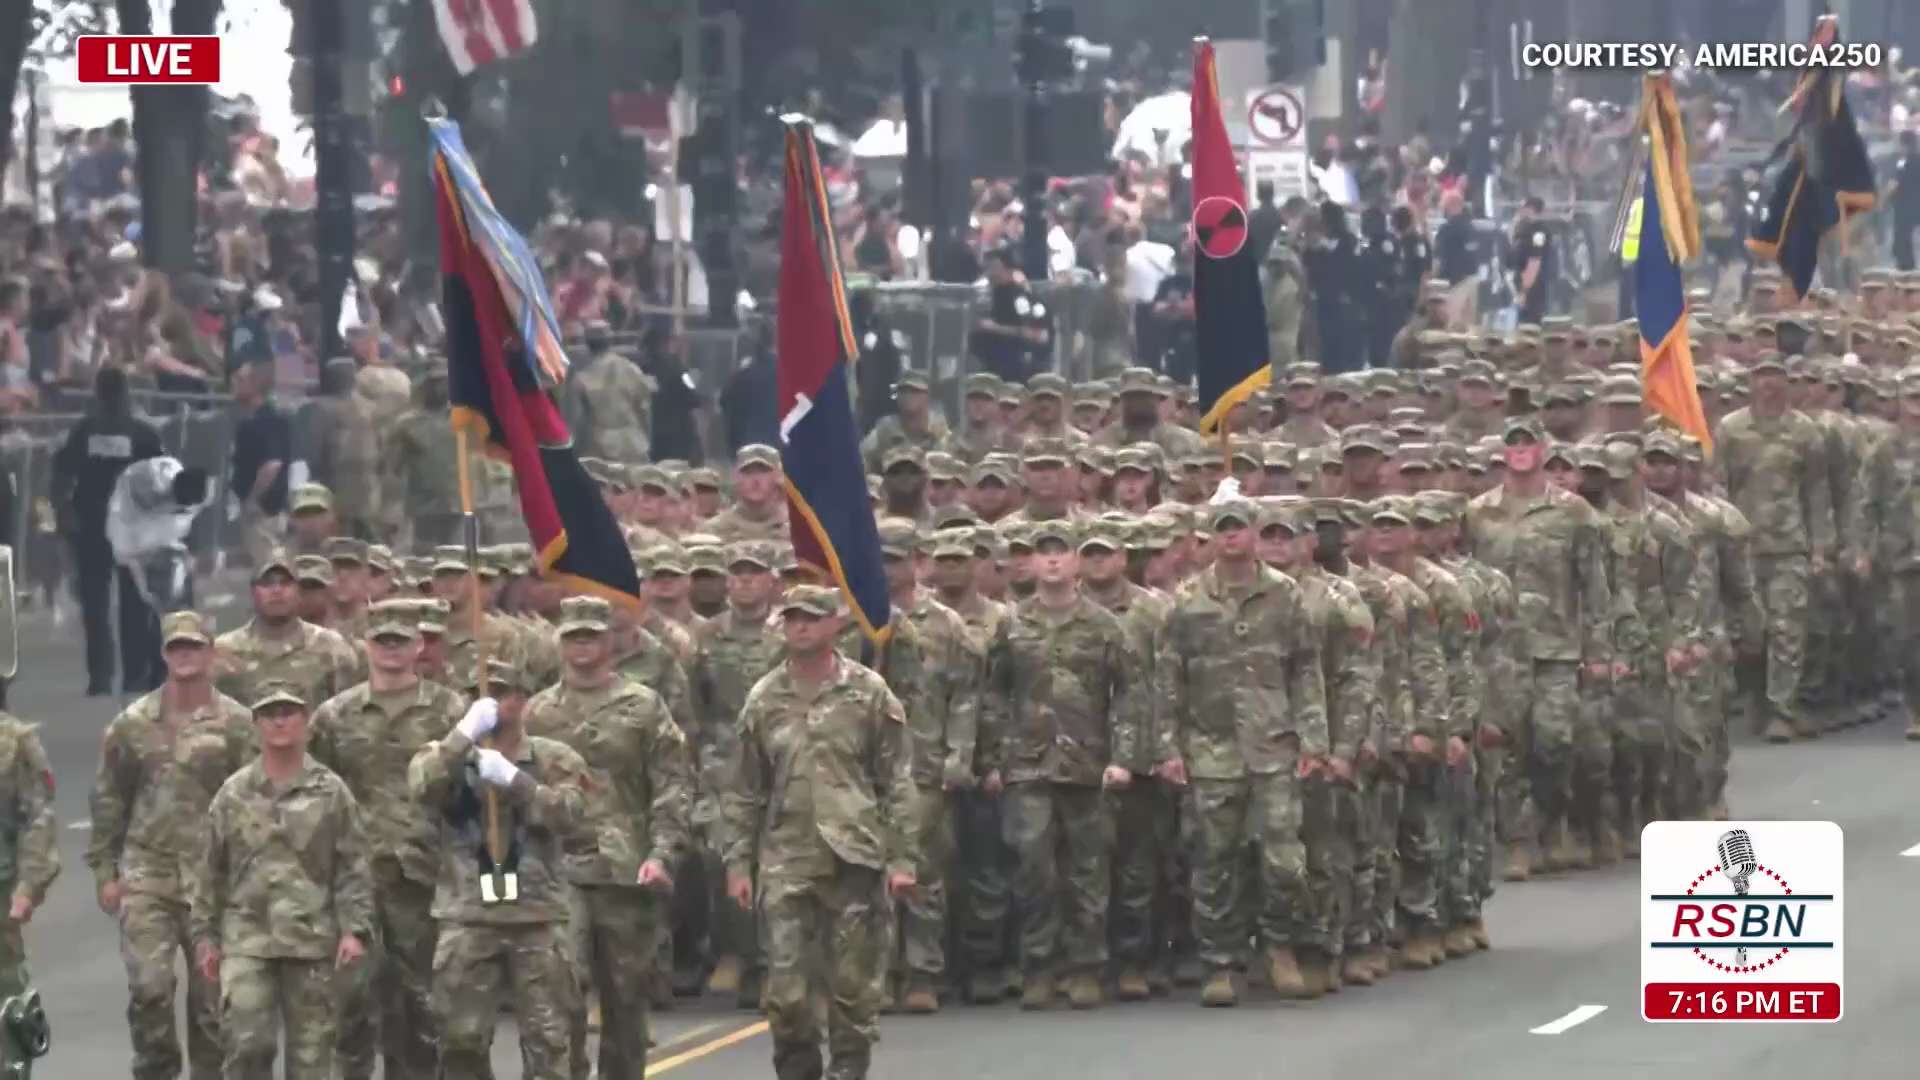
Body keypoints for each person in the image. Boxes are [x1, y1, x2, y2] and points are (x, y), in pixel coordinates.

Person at [721, 584, 917, 1080]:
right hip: (787, 860)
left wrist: (902, 859)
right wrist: (737, 863)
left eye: (810, 617)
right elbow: (744, 789)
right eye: (791, 618)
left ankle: (848, 1071)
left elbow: (897, 781)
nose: (800, 626)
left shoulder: (868, 692)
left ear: (835, 625)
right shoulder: (764, 699)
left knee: (853, 992)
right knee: (786, 996)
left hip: (855, 859)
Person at [1156, 499, 1329, 1006]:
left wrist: (1314, 739)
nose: (1231, 536)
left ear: (1255, 533)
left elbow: (1306, 671)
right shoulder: (1187, 601)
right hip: (1210, 748)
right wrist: (1167, 746)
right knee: (1214, 860)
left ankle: (1278, 946)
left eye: (1239, 527)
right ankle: (1222, 962)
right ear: (1211, 538)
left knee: (1284, 861)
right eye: (1222, 528)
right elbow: (1168, 680)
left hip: (1274, 744)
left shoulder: (1285, 595)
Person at [524, 596, 693, 1080]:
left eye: (590, 635)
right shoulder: (538, 712)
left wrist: (663, 853)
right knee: (562, 993)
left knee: (625, 1002)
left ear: (609, 640)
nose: (581, 645)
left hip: (626, 871)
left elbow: (671, 783)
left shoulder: (643, 706)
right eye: (572, 635)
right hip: (556, 872)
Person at [87, 610, 253, 1080]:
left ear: (210, 652)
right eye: (176, 648)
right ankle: (155, 1070)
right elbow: (110, 799)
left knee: (211, 1005)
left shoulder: (238, 724)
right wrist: (105, 872)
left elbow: (255, 800)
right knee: (149, 987)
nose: (185, 656)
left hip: (214, 881)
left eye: (194, 647)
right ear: (163, 654)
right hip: (148, 875)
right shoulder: (132, 724)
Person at [306, 601, 466, 1080]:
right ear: (367, 646)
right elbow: (314, 790)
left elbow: (469, 789)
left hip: (425, 875)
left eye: (401, 641)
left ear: (420, 646)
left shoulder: (447, 710)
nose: (391, 651)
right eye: (382, 642)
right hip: (355, 874)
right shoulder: (335, 715)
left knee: (419, 1002)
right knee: (351, 999)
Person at [408, 663, 591, 1080]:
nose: (492, 702)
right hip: (468, 916)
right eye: (479, 695)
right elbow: (421, 788)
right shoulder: (444, 756)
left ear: (522, 701)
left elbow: (572, 816)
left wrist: (516, 781)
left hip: (537, 917)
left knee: (549, 1046)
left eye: (503, 693)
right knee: (460, 1044)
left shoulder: (554, 757)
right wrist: (462, 738)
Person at [189, 683, 374, 1080]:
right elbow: (209, 870)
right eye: (270, 713)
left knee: (311, 1061)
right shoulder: (233, 793)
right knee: (247, 1044)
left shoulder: (331, 792)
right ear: (256, 724)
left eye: (289, 712)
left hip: (312, 941)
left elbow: (353, 866)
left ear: (306, 721)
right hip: (247, 941)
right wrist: (204, 938)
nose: (280, 720)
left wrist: (354, 931)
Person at [52, 365, 163, 696]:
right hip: (130, 528)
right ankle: (135, 674)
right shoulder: (143, 433)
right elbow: (160, 480)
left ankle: (101, 677)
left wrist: (64, 514)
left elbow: (61, 476)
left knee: (96, 606)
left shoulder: (85, 431)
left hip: (92, 526)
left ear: (98, 393)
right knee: (133, 602)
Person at [229, 357, 292, 567]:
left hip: (263, 513)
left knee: (267, 572)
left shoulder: (259, 424)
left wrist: (252, 499)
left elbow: (271, 465)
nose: (234, 382)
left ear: (255, 386)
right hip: (274, 509)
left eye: (241, 379)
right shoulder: (278, 419)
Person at [1507, 196, 1554, 324]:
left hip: (1533, 288)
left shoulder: (1539, 232)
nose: (1519, 211)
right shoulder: (1523, 229)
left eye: (1522, 208)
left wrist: (1524, 291)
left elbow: (1534, 261)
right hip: (1521, 283)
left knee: (1530, 325)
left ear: (1530, 209)